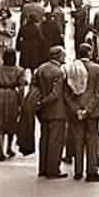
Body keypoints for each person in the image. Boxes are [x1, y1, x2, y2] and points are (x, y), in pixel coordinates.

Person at [64, 43, 99, 182]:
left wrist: (76, 109)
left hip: (76, 111)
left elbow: (67, 94)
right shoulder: (97, 69)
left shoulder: (71, 69)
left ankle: (78, 171)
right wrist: (87, 110)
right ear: (89, 53)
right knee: (91, 140)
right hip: (93, 112)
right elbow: (98, 92)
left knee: (78, 140)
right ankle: (91, 171)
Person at [34, 45, 68, 179]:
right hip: (57, 111)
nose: (65, 57)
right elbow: (55, 94)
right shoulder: (58, 72)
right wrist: (44, 102)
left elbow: (34, 87)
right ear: (58, 56)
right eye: (63, 55)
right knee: (55, 142)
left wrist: (38, 103)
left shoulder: (41, 68)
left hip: (44, 113)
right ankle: (53, 170)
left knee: (44, 139)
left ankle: (43, 168)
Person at [0, 48, 26, 161]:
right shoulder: (19, 70)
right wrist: (21, 102)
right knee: (11, 122)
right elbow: (21, 88)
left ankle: (1, 151)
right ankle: (9, 147)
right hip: (12, 96)